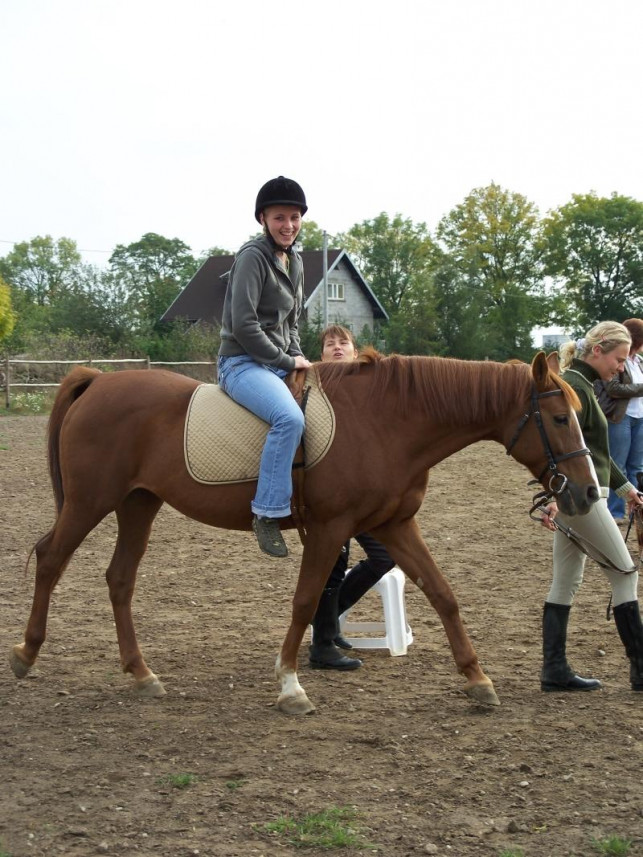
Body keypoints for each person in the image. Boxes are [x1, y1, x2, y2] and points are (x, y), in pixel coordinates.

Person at [541, 321, 643, 693]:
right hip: (583, 498)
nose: (622, 367)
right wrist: (554, 498)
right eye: (619, 359)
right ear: (597, 351)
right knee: (625, 572)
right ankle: (641, 669)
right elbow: (556, 451)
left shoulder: (583, 385)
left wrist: (627, 487)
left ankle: (554, 670)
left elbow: (596, 453)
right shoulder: (574, 389)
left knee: (566, 580)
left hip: (586, 493)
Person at [217, 177, 312, 558]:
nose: (287, 225)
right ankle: (267, 512)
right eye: (279, 217)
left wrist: (300, 360)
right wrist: (288, 362)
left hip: (276, 362)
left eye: (294, 217)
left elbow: (291, 324)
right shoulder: (252, 257)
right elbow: (244, 325)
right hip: (241, 362)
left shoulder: (296, 261)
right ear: (262, 219)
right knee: (290, 419)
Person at [308, 325, 396, 670]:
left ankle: (326, 621)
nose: (337, 347)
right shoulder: (313, 384)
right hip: (328, 491)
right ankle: (323, 642)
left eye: (343, 342)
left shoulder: (368, 387)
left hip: (363, 494)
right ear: (321, 355)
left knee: (385, 555)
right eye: (330, 344)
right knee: (333, 562)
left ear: (355, 349)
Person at [602, 318, 643, 521]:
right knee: (618, 465)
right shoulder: (619, 361)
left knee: (637, 467)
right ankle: (615, 513)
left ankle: (637, 510)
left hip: (640, 418)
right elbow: (613, 389)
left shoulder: (639, 361)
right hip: (621, 417)